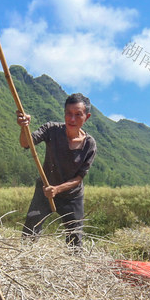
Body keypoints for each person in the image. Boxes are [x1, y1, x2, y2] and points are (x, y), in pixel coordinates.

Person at [17, 93, 97, 248]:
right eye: (68, 114)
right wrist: (23, 127)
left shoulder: (89, 145)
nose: (72, 119)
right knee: (30, 228)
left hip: (71, 195)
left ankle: (75, 266)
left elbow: (79, 178)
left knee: (75, 239)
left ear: (86, 117)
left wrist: (57, 189)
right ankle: (25, 259)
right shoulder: (51, 130)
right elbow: (26, 143)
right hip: (45, 189)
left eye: (77, 115)